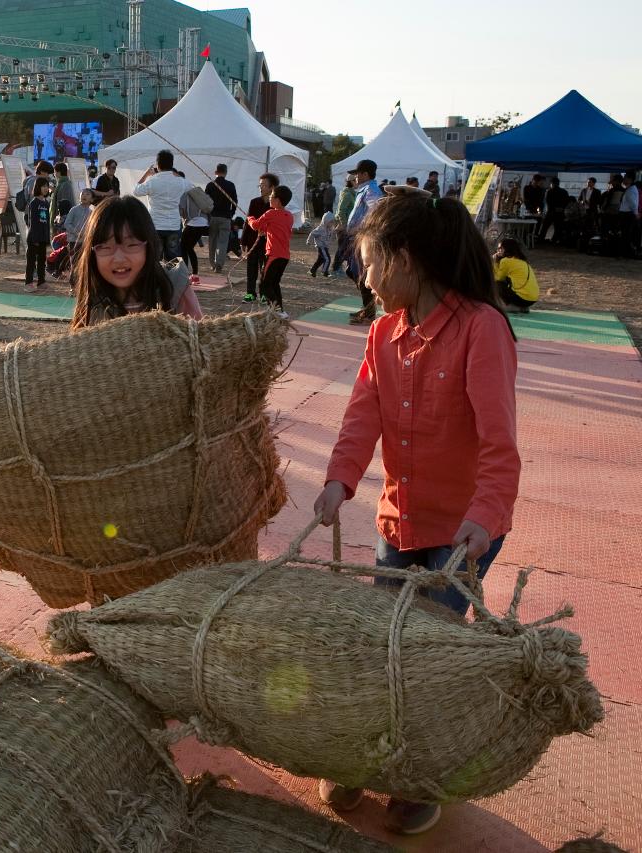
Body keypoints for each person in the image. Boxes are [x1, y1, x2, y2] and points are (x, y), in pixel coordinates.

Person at [313, 192, 518, 836]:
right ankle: (365, 757)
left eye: (370, 263)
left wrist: (484, 518)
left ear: (403, 261)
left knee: (425, 661)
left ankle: (420, 776)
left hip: (461, 537)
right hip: (398, 525)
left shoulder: (481, 329)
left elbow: (499, 444)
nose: (364, 278)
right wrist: (338, 481)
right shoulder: (382, 332)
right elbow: (362, 416)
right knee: (384, 649)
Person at [69, 196, 204, 329]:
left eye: (131, 245)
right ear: (92, 254)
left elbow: (198, 341)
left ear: (149, 246)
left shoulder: (174, 288)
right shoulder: (92, 300)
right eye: (105, 247)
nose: (119, 258)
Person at [343, 160, 385, 323]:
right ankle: (368, 308)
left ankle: (369, 312)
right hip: (357, 237)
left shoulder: (371, 190)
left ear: (365, 174)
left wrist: (362, 230)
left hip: (364, 238)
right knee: (354, 272)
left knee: (361, 274)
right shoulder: (365, 189)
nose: (355, 177)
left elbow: (375, 214)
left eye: (358, 173)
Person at [246, 185, 294, 318]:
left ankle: (277, 310)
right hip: (284, 256)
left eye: (271, 196)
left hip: (273, 255)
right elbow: (279, 230)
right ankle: (280, 310)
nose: (269, 198)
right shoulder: (289, 216)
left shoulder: (270, 213)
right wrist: (266, 230)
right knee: (274, 283)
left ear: (278, 200)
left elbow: (255, 225)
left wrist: (249, 218)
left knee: (264, 284)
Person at [134, 150, 189, 261]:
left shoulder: (152, 181)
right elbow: (190, 186)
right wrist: (176, 175)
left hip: (156, 225)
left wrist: (147, 174)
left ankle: (156, 278)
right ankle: (173, 278)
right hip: (173, 225)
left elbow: (136, 191)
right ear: (172, 164)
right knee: (173, 260)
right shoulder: (180, 182)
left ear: (157, 164)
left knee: (155, 259)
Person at [241, 173, 278, 303]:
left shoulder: (276, 206)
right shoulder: (254, 202)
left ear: (271, 187)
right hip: (253, 240)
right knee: (251, 267)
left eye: (263, 185)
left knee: (265, 269)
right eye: (259, 185)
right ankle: (250, 293)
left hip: (268, 243)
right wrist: (243, 240)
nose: (260, 188)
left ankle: (264, 293)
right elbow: (248, 221)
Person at [205, 163, 237, 273]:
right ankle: (219, 264)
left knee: (212, 241)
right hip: (225, 217)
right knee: (222, 242)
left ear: (215, 172)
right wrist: (231, 214)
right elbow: (235, 202)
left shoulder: (210, 185)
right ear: (226, 172)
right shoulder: (231, 185)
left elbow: (205, 201)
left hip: (213, 216)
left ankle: (212, 264)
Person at [22, 177, 53, 291]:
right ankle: (28, 283)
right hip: (34, 237)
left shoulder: (46, 202)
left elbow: (47, 222)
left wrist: (47, 237)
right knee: (31, 261)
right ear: (37, 187)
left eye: (47, 186)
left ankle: (41, 281)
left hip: (43, 237)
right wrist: (34, 238)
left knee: (42, 261)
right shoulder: (34, 202)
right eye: (43, 186)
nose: (46, 189)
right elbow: (32, 222)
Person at [493, 237, 538, 314]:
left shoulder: (505, 261)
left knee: (496, 284)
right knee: (506, 280)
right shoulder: (522, 260)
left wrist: (495, 262)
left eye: (500, 248)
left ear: (507, 249)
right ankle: (523, 307)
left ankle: (512, 307)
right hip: (532, 299)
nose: (498, 251)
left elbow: (498, 278)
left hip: (522, 298)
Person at [62, 188, 94, 290]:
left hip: (86, 242)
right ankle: (73, 287)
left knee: (85, 264)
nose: (84, 196)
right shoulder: (74, 209)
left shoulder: (91, 212)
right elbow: (67, 223)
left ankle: (83, 287)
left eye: (87, 194)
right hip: (73, 242)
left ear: (92, 199)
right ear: (79, 196)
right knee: (74, 264)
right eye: (83, 194)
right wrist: (76, 232)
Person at [178, 183, 209, 278]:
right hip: (204, 223)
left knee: (183, 247)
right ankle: (195, 274)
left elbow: (181, 211)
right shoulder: (198, 193)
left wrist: (184, 218)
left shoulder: (184, 194)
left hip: (193, 223)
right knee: (189, 248)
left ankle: (185, 273)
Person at [539, 177, 570, 244]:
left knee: (545, 227)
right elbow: (567, 202)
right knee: (558, 228)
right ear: (558, 183)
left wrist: (553, 208)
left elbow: (548, 201)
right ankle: (554, 240)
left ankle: (541, 240)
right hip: (560, 212)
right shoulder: (564, 192)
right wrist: (561, 208)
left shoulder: (549, 191)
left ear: (552, 183)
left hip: (551, 212)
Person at [307, 211, 336, 278]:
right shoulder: (320, 229)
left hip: (325, 247)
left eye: (332, 222)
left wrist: (334, 235)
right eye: (330, 222)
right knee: (327, 258)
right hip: (321, 247)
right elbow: (312, 233)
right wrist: (309, 241)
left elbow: (331, 236)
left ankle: (312, 270)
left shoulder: (329, 229)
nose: (332, 224)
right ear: (326, 221)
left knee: (320, 260)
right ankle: (325, 272)